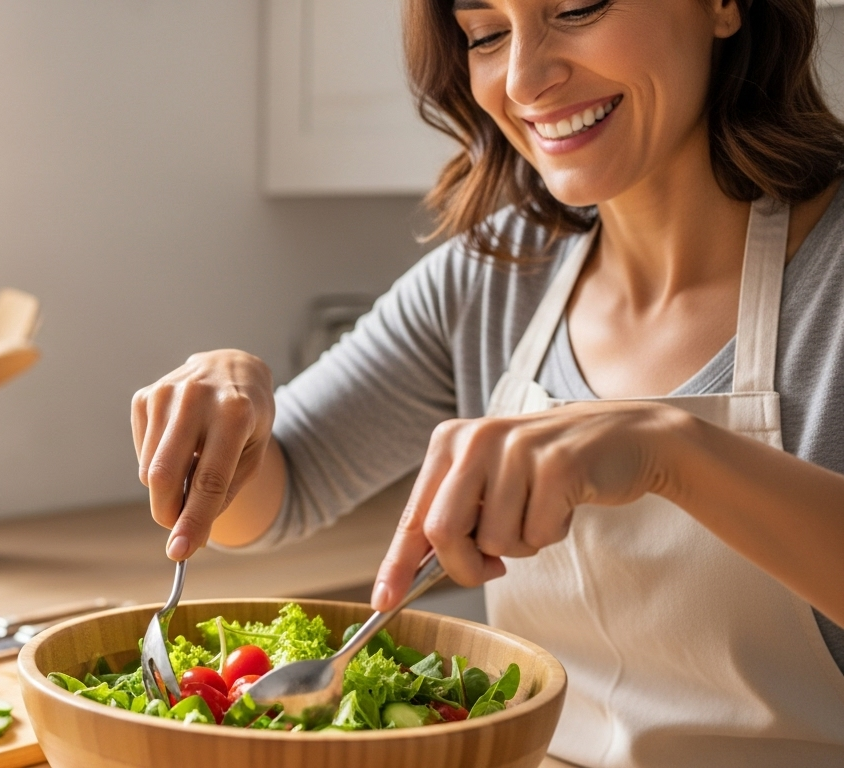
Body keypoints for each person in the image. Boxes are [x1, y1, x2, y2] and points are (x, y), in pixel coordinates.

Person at [130, 0, 844, 765]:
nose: (526, 78)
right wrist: (232, 394)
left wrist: (672, 451)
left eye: (576, 7)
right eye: (487, 35)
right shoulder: (492, 276)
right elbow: (272, 498)